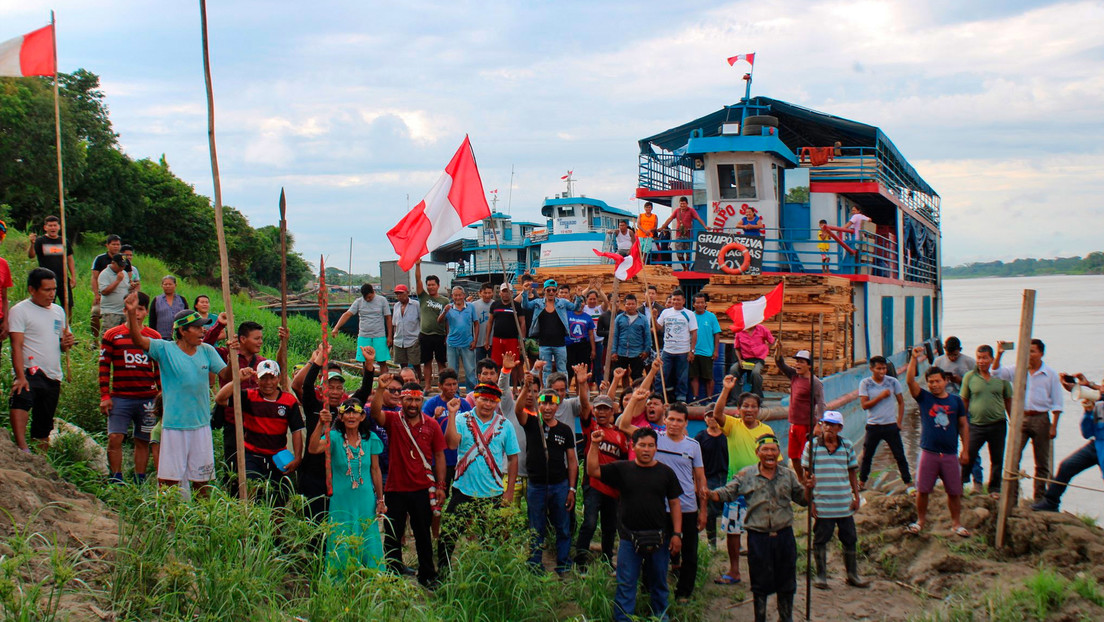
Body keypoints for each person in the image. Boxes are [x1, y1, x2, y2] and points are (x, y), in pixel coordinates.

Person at [125, 294, 230, 492]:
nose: (202, 331)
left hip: (201, 425)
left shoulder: (207, 350)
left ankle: (202, 520)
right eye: (197, 327)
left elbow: (226, 374)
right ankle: (170, 520)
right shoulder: (165, 349)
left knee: (203, 482)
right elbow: (138, 340)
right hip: (174, 426)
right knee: (169, 482)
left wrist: (233, 359)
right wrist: (132, 315)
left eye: (203, 327)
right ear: (182, 330)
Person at [708, 434, 807, 622]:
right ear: (757, 453)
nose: (769, 453)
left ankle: (785, 617)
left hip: (784, 536)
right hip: (758, 538)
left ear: (778, 453)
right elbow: (728, 492)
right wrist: (709, 494)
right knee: (760, 582)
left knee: (787, 580)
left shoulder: (788, 475)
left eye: (773, 450)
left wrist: (809, 488)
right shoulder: (747, 475)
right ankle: (759, 618)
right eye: (765, 450)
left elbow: (802, 499)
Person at [589, 426, 683, 622]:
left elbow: (674, 503)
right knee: (626, 584)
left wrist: (677, 534)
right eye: (642, 445)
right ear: (634, 446)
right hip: (628, 539)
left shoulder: (666, 473)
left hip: (659, 537)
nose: (646, 449)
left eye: (650, 445)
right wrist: (595, 445)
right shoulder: (622, 469)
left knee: (659, 584)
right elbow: (593, 470)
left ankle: (660, 618)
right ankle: (623, 618)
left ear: (656, 448)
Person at [617, 400, 706, 602]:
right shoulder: (654, 439)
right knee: (654, 550)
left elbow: (700, 479)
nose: (674, 423)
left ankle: (684, 592)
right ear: (665, 420)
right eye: (671, 419)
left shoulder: (693, 446)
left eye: (679, 420)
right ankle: (649, 588)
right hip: (659, 507)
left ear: (686, 423)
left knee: (689, 551)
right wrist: (636, 399)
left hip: (687, 506)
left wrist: (703, 510)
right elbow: (623, 425)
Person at [369, 374, 446, 587]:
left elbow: (439, 456)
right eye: (408, 400)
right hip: (395, 488)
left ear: (422, 401)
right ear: (401, 401)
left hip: (422, 488)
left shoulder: (432, 425)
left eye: (417, 400)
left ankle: (427, 575)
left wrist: (440, 485)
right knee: (393, 535)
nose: (412, 404)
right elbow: (375, 414)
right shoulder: (393, 420)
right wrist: (379, 389)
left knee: (423, 534)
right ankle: (393, 573)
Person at [438, 383, 521, 571]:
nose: (487, 404)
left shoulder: (505, 425)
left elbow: (513, 458)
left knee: (492, 539)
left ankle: (489, 575)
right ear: (475, 398)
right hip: (463, 490)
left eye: (492, 401)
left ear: (497, 403)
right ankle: (442, 574)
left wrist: (508, 492)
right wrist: (451, 414)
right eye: (483, 399)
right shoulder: (461, 419)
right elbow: (451, 444)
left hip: (493, 492)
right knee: (448, 536)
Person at [309, 397, 385, 573]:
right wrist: (321, 424)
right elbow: (313, 449)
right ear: (341, 417)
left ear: (362, 416)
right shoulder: (334, 437)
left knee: (368, 537)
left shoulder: (370, 439)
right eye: (347, 412)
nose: (351, 416)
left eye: (355, 412)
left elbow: (375, 470)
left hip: (365, 499)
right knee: (341, 537)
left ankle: (372, 579)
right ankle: (339, 582)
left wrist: (380, 499)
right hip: (341, 500)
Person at [712, 376, 774, 585]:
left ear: (758, 409)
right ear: (738, 409)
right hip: (736, 488)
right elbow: (717, 413)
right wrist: (726, 389)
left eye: (753, 406)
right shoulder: (733, 425)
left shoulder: (766, 431)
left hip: (760, 488)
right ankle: (734, 571)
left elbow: (774, 458)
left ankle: (762, 571)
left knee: (761, 532)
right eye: (745, 406)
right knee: (733, 531)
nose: (749, 410)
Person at [904, 346, 970, 537]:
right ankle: (921, 521)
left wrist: (965, 450)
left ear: (945, 381)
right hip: (928, 453)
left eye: (937, 381)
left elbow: (964, 425)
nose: (934, 385)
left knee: (954, 491)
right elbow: (909, 381)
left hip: (949, 454)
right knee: (922, 490)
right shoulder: (924, 398)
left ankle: (956, 523)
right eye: (930, 382)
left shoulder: (956, 401)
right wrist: (914, 359)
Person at [8, 268, 75, 452]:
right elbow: (16, 346)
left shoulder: (58, 311)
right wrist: (20, 376)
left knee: (44, 421)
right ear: (32, 289)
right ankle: (22, 448)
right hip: (30, 368)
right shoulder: (20, 311)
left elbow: (61, 343)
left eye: (54, 289)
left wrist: (67, 343)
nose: (52, 294)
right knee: (21, 398)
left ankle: (40, 459)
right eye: (47, 290)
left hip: (52, 372)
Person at [215, 360, 304, 496]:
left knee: (279, 496)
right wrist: (237, 379)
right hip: (252, 455)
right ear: (257, 380)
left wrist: (297, 458)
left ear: (278, 378)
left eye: (272, 378)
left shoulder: (289, 401)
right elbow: (220, 399)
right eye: (264, 378)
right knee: (250, 492)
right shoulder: (249, 396)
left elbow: (296, 430)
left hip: (278, 456)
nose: (268, 383)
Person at [99, 291, 160, 483]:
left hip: (147, 398)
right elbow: (103, 367)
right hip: (120, 397)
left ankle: (139, 479)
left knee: (142, 440)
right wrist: (104, 396)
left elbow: (158, 368)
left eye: (141, 309)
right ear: (125, 309)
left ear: (145, 311)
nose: (137, 313)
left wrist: (160, 394)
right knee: (115, 437)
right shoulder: (112, 335)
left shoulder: (153, 337)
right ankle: (116, 478)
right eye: (133, 308)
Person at [992, 338, 1064, 502]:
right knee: (1013, 458)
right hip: (1021, 417)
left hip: (1041, 418)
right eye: (1027, 351)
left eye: (1032, 351)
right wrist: (999, 354)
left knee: (1041, 461)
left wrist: (1054, 426)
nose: (1029, 355)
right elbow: (995, 373)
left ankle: (1039, 499)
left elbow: (1057, 403)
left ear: (1041, 353)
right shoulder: (1019, 369)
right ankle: (1012, 497)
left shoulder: (1050, 374)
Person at [802, 411, 868, 590]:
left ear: (840, 428)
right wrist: (811, 501)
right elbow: (807, 475)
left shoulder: (846, 445)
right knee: (821, 538)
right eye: (826, 424)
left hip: (843, 501)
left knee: (849, 538)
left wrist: (856, 496)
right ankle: (821, 575)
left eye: (833, 425)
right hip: (823, 502)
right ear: (822, 425)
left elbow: (852, 472)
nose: (829, 428)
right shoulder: (812, 447)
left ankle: (852, 574)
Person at [516, 387, 578, 574]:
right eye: (543, 403)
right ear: (538, 404)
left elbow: (573, 461)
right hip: (536, 486)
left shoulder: (565, 430)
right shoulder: (532, 423)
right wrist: (526, 388)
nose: (548, 407)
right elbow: (518, 410)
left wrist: (572, 489)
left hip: (560, 485)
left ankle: (564, 563)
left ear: (557, 404)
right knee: (536, 527)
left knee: (563, 526)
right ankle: (535, 564)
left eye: (551, 403)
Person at [574, 394, 631, 567]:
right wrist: (582, 383)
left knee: (609, 526)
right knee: (590, 523)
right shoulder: (590, 427)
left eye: (605, 408)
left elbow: (624, 461)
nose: (601, 412)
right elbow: (584, 405)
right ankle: (580, 561)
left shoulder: (619, 435)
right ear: (594, 411)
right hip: (592, 484)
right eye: (598, 408)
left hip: (612, 487)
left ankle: (607, 559)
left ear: (612, 411)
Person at [1033, 382, 1103, 513]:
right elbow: (1087, 433)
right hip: (1096, 445)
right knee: (1067, 466)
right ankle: (1051, 502)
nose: (1102, 390)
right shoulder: (1099, 406)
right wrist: (1088, 412)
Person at [960, 345, 1012, 497]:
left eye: (984, 358)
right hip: (976, 425)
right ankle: (961, 484)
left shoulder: (1001, 376)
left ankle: (995, 489)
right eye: (978, 358)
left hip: (998, 424)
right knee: (968, 454)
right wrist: (961, 422)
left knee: (997, 458)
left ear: (992, 359)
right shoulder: (970, 377)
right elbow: (964, 401)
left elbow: (1008, 399)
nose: (981, 361)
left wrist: (1013, 419)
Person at [857, 355, 912, 492]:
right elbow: (864, 405)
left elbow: (901, 401)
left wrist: (899, 421)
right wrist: (880, 397)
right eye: (879, 369)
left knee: (899, 455)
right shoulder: (866, 383)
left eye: (884, 368)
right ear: (871, 369)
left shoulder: (892, 382)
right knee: (867, 456)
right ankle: (862, 482)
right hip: (873, 425)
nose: (882, 371)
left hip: (890, 425)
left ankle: (908, 483)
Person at [775, 349, 825, 483]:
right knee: (793, 456)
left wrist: (819, 424)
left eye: (801, 362)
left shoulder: (814, 382)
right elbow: (781, 365)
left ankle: (810, 480)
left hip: (807, 425)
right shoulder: (794, 376)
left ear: (809, 365)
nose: (798, 364)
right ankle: (801, 479)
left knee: (807, 457)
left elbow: (821, 403)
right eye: (797, 361)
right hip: (794, 424)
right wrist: (778, 352)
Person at [422, 368, 472, 496]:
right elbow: (422, 431)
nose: (452, 388)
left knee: (461, 496)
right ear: (440, 386)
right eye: (448, 385)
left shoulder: (464, 404)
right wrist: (435, 418)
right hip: (439, 459)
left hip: (460, 458)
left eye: (454, 384)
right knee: (438, 495)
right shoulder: (431, 404)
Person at [518, 279, 576, 384]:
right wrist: (525, 291)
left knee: (562, 369)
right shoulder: (538, 303)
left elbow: (575, 307)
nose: (551, 293)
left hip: (560, 343)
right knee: (546, 370)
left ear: (556, 292)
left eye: (554, 290)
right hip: (544, 343)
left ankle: (564, 391)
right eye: (548, 290)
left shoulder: (562, 303)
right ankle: (547, 391)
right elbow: (525, 306)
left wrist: (579, 297)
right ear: (544, 291)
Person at [333, 283, 393, 365]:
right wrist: (336, 328)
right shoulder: (358, 302)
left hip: (379, 336)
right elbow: (347, 314)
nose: (368, 299)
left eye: (369, 297)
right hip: (364, 336)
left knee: (382, 362)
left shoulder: (382, 300)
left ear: (373, 292)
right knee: (365, 362)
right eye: (365, 298)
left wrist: (389, 336)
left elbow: (388, 318)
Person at [26, 215, 76, 312]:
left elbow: (70, 258)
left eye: (55, 225)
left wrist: (73, 276)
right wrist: (32, 244)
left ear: (59, 227)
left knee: (68, 304)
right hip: (46, 279)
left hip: (63, 278)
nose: (53, 228)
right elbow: (31, 255)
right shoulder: (40, 241)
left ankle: (66, 325)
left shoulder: (64, 241)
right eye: (50, 225)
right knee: (48, 304)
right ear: (45, 227)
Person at [656, 289, 697, 403]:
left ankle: (681, 398)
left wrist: (692, 350)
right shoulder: (666, 312)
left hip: (683, 350)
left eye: (678, 300)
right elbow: (658, 327)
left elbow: (694, 333)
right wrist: (654, 317)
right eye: (674, 299)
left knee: (682, 377)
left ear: (683, 301)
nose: (676, 302)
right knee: (662, 374)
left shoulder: (689, 314)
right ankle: (658, 396)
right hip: (667, 350)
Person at [695, 411, 727, 549]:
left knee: (732, 510)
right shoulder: (700, 437)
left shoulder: (727, 435)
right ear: (705, 419)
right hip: (709, 477)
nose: (712, 418)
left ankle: (736, 542)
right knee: (711, 512)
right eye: (709, 416)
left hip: (727, 476)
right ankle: (712, 542)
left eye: (715, 415)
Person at [437, 287, 478, 390]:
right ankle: (454, 393)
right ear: (452, 296)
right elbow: (439, 321)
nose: (458, 297)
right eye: (455, 295)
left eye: (460, 295)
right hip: (452, 344)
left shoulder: (471, 307)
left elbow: (476, 324)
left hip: (467, 344)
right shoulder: (449, 308)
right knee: (452, 372)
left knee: (470, 370)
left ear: (464, 295)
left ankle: (471, 393)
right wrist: (444, 312)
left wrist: (475, 340)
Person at [415, 261, 450, 384]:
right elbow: (418, 280)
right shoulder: (423, 297)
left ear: (438, 285)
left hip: (440, 336)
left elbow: (447, 320)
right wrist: (417, 265)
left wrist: (447, 335)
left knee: (441, 363)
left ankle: (442, 385)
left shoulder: (444, 300)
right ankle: (428, 386)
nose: (430, 287)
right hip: (425, 335)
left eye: (433, 285)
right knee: (427, 362)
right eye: (428, 285)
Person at [489, 283, 526, 384]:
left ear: (511, 293)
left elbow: (522, 322)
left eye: (508, 292)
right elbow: (490, 322)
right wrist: (486, 339)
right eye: (504, 291)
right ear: (500, 293)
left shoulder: (516, 306)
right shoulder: (495, 305)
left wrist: (522, 339)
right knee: (497, 364)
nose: (506, 294)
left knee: (514, 364)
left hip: (512, 339)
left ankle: (514, 387)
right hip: (497, 339)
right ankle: (497, 385)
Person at [611, 293, 652, 384]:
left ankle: (635, 394)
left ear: (636, 304)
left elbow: (647, 336)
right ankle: (626, 393)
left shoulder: (643, 319)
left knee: (637, 375)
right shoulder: (619, 318)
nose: (630, 306)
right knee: (622, 374)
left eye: (632, 304)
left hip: (637, 353)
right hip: (622, 352)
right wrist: (614, 351)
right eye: (628, 304)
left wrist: (646, 350)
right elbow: (615, 335)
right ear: (624, 305)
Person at [730, 322, 775, 400]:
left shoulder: (762, 329)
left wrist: (765, 349)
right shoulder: (739, 332)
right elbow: (737, 348)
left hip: (758, 360)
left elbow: (772, 341)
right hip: (745, 360)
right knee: (733, 370)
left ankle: (757, 397)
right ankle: (735, 398)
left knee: (755, 373)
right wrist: (740, 360)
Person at [660, 197, 707, 270]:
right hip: (679, 234)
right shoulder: (677, 211)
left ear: (687, 204)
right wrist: (662, 227)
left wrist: (705, 226)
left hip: (688, 234)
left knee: (688, 253)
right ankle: (684, 267)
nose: (682, 205)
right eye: (681, 204)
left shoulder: (691, 210)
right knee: (679, 252)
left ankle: (687, 268)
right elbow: (670, 219)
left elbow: (698, 218)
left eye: (684, 204)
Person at [90, 234, 123, 337]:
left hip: (120, 294)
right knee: (95, 314)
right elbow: (94, 277)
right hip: (103, 292)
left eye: (118, 244)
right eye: (113, 244)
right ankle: (95, 339)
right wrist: (96, 294)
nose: (116, 247)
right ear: (107, 245)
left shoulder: (123, 258)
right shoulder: (100, 259)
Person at [690, 293, 721, 401]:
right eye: (697, 302)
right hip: (694, 352)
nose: (700, 305)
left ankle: (709, 398)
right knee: (694, 376)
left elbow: (716, 334)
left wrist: (716, 350)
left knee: (709, 377)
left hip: (707, 352)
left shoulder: (711, 317)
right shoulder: (690, 316)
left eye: (702, 302)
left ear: (705, 304)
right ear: (693, 304)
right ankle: (695, 398)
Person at [389, 284, 421, 379]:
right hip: (399, 340)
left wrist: (420, 337)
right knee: (403, 365)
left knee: (416, 363)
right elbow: (395, 323)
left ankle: (418, 380)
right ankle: (404, 382)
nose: (399, 296)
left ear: (407, 293)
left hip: (413, 339)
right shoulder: (396, 306)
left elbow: (421, 321)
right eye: (397, 294)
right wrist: (392, 337)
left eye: (401, 293)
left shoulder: (415, 305)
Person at [97, 254, 131, 331]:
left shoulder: (124, 273)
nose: (122, 268)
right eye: (120, 265)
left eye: (123, 266)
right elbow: (104, 291)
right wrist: (117, 281)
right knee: (109, 334)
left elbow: (125, 288)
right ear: (113, 263)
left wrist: (132, 287)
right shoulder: (104, 274)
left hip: (123, 310)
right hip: (111, 311)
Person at [565, 304, 596, 376]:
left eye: (582, 302)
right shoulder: (567, 314)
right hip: (569, 346)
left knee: (581, 370)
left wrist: (593, 350)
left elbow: (591, 334)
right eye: (578, 302)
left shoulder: (587, 317)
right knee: (569, 370)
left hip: (583, 346)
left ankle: (580, 387)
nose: (580, 304)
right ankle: (567, 387)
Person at [468, 282, 495, 363]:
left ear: (492, 293)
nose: (487, 295)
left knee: (493, 365)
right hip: (478, 342)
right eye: (485, 293)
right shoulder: (473, 305)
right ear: (480, 293)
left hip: (492, 342)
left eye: (489, 293)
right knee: (479, 365)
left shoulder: (495, 304)